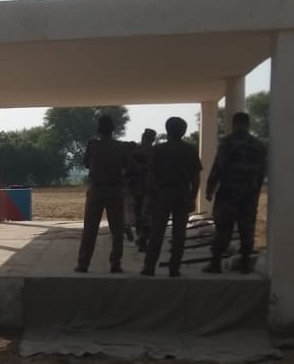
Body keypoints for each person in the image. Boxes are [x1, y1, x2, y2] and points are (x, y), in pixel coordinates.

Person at [204, 111, 267, 273]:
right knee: (247, 228)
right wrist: (256, 190)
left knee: (223, 228)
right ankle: (245, 262)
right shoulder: (258, 145)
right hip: (249, 194)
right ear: (248, 124)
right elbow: (262, 172)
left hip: (228, 193)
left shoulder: (228, 142)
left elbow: (218, 167)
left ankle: (216, 263)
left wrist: (210, 189)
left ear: (234, 124)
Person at [141, 117, 202, 277]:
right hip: (183, 192)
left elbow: (151, 176)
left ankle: (149, 267)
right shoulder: (190, 150)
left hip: (163, 193)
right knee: (179, 233)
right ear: (183, 131)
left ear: (167, 130)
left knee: (156, 231)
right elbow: (196, 178)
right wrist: (193, 197)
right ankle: (174, 268)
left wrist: (148, 197)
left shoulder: (158, 150)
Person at [75, 114, 132, 273]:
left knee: (90, 229)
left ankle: (83, 263)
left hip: (96, 190)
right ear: (113, 129)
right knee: (117, 230)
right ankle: (115, 263)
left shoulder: (93, 146)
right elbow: (127, 165)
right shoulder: (120, 147)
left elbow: (86, 164)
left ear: (99, 129)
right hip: (115, 190)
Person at [126, 129, 157, 252]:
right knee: (147, 216)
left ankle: (142, 239)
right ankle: (144, 239)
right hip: (149, 189)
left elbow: (128, 171)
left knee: (140, 215)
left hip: (138, 189)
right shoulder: (155, 153)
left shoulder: (135, 152)